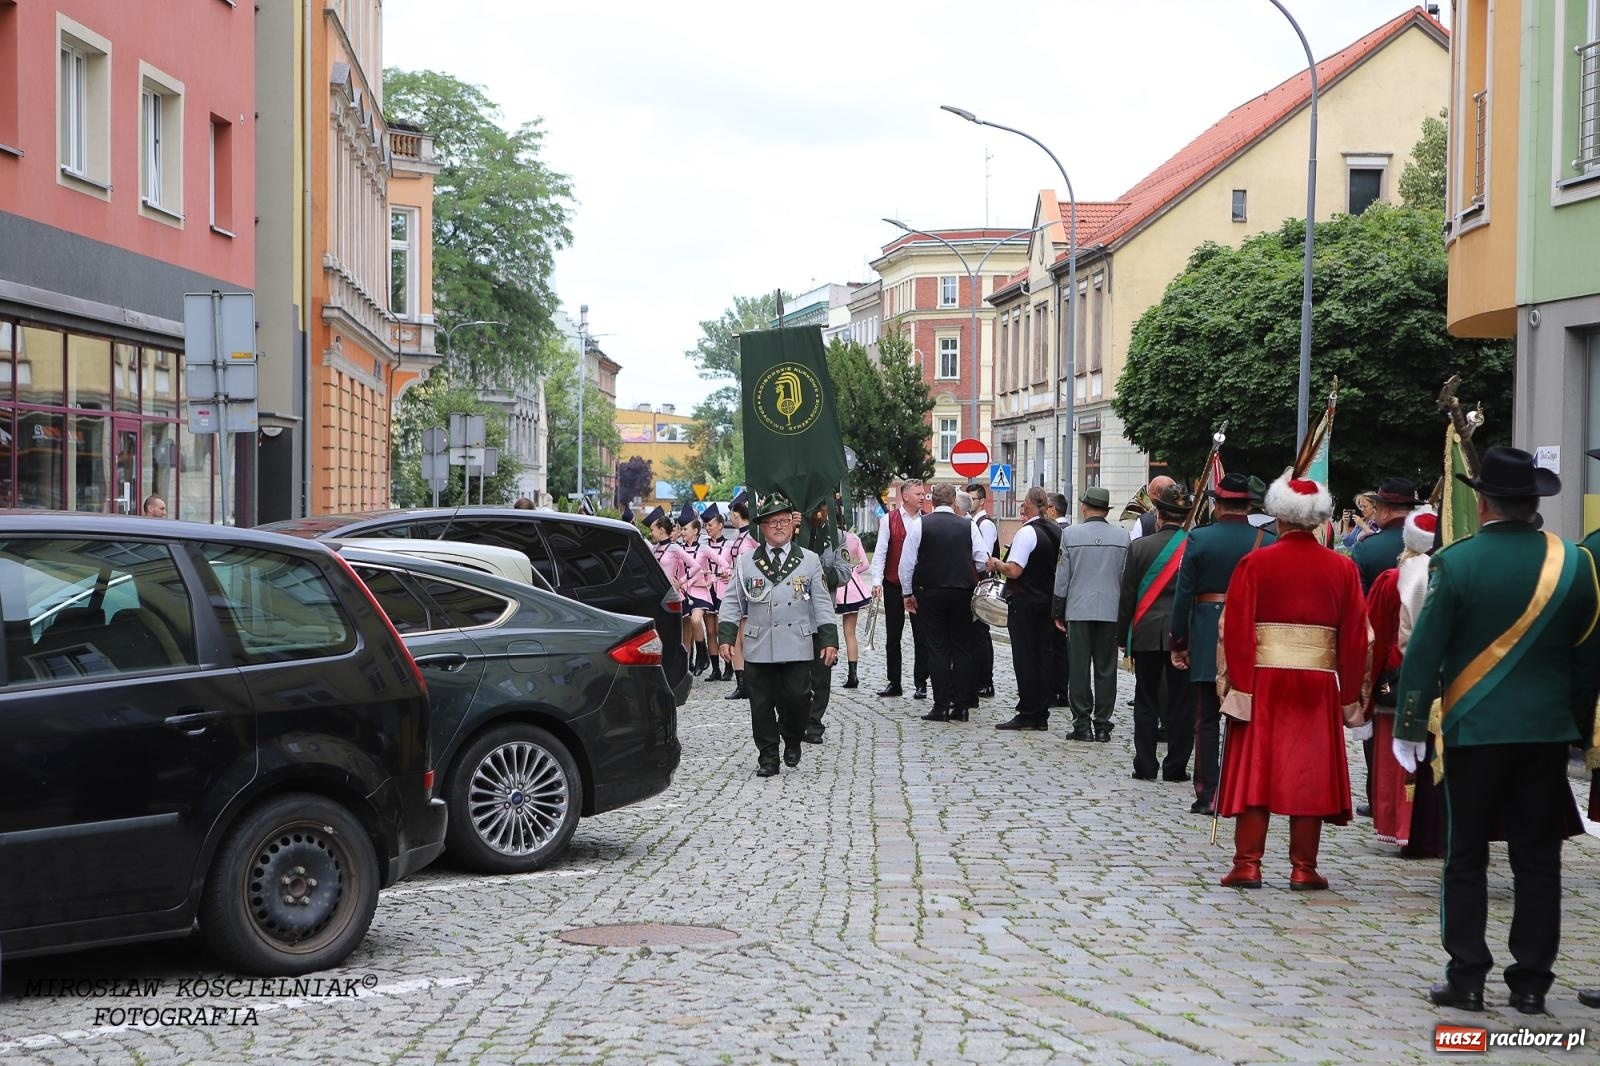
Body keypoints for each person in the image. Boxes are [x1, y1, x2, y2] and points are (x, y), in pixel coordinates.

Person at [1393, 447, 1595, 1016]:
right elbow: (1587, 658)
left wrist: (1410, 723)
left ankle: (1468, 977)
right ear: (1534, 502)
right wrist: (1577, 727)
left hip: (1474, 730)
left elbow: (1425, 651)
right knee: (1538, 861)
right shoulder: (1576, 563)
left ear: (1482, 503)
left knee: (1466, 856)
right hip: (1546, 733)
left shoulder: (1456, 562)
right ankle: (1531, 983)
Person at [1214, 471, 1369, 893]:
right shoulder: (1342, 568)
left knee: (1256, 771)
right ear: (1319, 519)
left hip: (1261, 681)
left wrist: (1236, 686)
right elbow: (1356, 638)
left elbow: (1235, 630)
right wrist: (1349, 697)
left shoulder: (1254, 563)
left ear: (1278, 516)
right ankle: (1304, 868)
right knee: (1308, 771)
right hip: (1317, 685)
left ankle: (1247, 863)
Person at [1170, 472, 1274, 814]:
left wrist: (1179, 640)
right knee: (1246, 715)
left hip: (1206, 632)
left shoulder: (1199, 538)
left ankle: (1209, 793)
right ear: (1248, 505)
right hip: (1251, 635)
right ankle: (1244, 789)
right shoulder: (1267, 541)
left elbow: (1183, 594)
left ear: (1217, 505)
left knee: (1206, 718)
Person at [717, 491, 839, 777]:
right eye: (772, 522)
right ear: (762, 527)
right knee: (760, 705)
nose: (779, 526)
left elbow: (822, 603)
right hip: (759, 644)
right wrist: (726, 637)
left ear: (792, 525)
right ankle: (768, 756)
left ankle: (793, 738)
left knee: (798, 698)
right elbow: (733, 601)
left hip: (797, 643)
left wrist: (829, 640)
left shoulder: (809, 560)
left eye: (784, 520)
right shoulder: (746, 562)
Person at [1364, 506, 1438, 853]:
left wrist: (1366, 688)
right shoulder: (1448, 577)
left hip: (1397, 678)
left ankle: (1403, 826)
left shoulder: (1391, 580)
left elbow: (1375, 636)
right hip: (1440, 680)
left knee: (1397, 757)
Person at [1118, 483, 1194, 780]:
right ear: (1185, 518)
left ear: (1158, 515)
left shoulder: (1139, 547)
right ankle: (1176, 768)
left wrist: (1123, 637)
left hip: (1146, 633)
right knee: (1181, 703)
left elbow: (1127, 597)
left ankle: (1146, 765)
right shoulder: (1194, 545)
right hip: (1184, 634)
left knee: (1146, 700)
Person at [900, 483, 988, 722]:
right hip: (962, 591)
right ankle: (962, 705)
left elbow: (907, 564)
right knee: (962, 647)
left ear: (932, 501)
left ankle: (941, 705)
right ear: (953, 502)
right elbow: (982, 559)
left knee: (937, 647)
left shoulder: (920, 524)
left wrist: (907, 593)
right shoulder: (968, 525)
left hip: (931, 591)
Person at [1052, 486, 1130, 742]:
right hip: (1110, 609)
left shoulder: (1070, 534)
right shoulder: (1122, 537)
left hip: (1078, 609)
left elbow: (1062, 576)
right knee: (1107, 669)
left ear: (1084, 507)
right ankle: (1103, 725)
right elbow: (1125, 579)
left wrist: (1058, 609)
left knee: (1078, 669)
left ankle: (1082, 724)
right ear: (1106, 510)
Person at [988, 485, 1062, 730]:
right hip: (1047, 600)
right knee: (1044, 656)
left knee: (1025, 657)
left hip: (1025, 601)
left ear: (1027, 506)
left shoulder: (1027, 533)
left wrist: (997, 563)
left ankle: (1028, 711)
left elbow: (1014, 570)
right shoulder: (1056, 530)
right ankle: (1041, 712)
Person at [869, 479, 929, 699]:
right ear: (905, 496)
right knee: (893, 636)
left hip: (918, 586)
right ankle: (894, 682)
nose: (922, 497)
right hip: (893, 583)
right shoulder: (889, 519)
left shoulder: (926, 520)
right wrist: (877, 581)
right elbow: (881, 552)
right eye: (918, 494)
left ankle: (921, 683)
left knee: (921, 636)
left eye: (923, 494)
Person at [1352, 478, 1420, 591]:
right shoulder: (1429, 543)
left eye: (1376, 508)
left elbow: (1356, 598)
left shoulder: (1366, 548)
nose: (1375, 512)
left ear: (1385, 511)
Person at [966, 481, 1000, 700]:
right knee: (974, 633)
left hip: (982, 581)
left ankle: (985, 681)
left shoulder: (985, 524)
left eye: (973, 499)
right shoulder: (971, 522)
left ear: (982, 501)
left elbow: (984, 558)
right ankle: (977, 678)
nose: (969, 503)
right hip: (974, 580)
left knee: (980, 633)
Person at [723, 493, 758, 699]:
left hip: (750, 589)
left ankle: (751, 682)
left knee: (745, 638)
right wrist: (729, 571)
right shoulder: (739, 537)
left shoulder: (753, 536)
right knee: (736, 637)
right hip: (736, 588)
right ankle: (741, 684)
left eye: (731, 515)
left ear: (737, 515)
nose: (731, 518)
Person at [832, 509, 872, 691]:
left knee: (827, 627)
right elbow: (865, 564)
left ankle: (829, 662)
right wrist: (854, 570)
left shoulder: (829, 538)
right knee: (850, 633)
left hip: (833, 585)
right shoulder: (853, 538)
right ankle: (853, 675)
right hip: (852, 585)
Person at [647, 514, 693, 658]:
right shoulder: (654, 549)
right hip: (658, 596)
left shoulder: (674, 548)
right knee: (659, 633)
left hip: (672, 596)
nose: (651, 533)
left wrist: (680, 582)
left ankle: (682, 662)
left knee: (674, 634)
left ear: (661, 530)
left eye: (652, 530)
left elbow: (695, 566)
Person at [680, 516, 715, 677]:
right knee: (686, 632)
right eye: (681, 529)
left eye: (685, 529)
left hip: (700, 593)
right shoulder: (679, 549)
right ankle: (688, 666)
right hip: (684, 593)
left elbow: (724, 564)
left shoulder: (704, 549)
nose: (682, 532)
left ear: (695, 531)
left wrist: (710, 581)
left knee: (695, 620)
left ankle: (702, 654)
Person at [701, 505, 733, 681]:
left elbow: (736, 566)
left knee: (722, 631)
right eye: (705, 525)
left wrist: (730, 573)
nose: (707, 528)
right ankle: (715, 669)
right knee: (710, 631)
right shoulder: (702, 546)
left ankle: (729, 666)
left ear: (720, 525)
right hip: (707, 589)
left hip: (723, 590)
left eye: (710, 524)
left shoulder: (730, 545)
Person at [1127, 475, 1177, 542]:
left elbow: (1133, 545)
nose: (1148, 495)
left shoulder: (1143, 521)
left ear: (1157, 494)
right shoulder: (1185, 517)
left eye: (1149, 492)